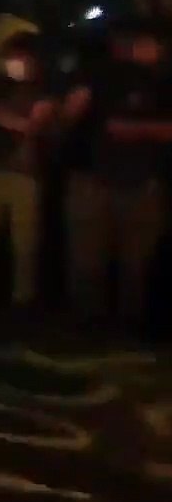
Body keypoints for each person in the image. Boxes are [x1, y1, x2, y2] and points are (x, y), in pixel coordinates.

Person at [68, 25, 172, 324]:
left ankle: (132, 326)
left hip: (141, 183)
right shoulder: (96, 76)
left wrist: (133, 130)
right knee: (89, 264)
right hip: (95, 180)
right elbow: (71, 114)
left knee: (136, 265)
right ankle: (89, 327)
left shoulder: (162, 83)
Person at [0, 32, 56, 307]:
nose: (13, 63)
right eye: (10, 58)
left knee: (24, 242)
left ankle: (23, 299)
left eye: (18, 58)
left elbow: (33, 126)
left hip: (25, 174)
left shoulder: (42, 94)